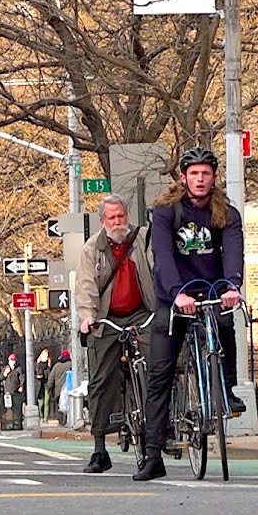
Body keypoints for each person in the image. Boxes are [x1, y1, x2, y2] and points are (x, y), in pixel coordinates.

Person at [134, 146, 247, 482]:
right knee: (161, 372)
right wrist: (176, 293)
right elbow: (163, 255)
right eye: (194, 173)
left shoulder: (226, 213)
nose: (200, 179)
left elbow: (234, 251)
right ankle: (154, 454)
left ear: (214, 177)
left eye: (205, 174)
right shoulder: (166, 211)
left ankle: (227, 389)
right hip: (174, 295)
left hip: (212, 290)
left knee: (225, 323)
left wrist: (232, 286)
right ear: (183, 177)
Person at [76, 194, 156, 474]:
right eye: (112, 218)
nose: (117, 221)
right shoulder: (92, 248)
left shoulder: (143, 238)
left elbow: (157, 269)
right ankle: (100, 448)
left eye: (121, 216)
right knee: (100, 379)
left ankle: (161, 430)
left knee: (159, 366)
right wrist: (87, 317)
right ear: (102, 221)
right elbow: (85, 285)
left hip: (142, 312)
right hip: (106, 317)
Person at [47, 350, 72, 425]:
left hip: (58, 389)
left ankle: (61, 421)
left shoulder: (56, 366)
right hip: (69, 388)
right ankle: (68, 420)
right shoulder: (71, 364)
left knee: (59, 405)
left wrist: (49, 387)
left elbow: (51, 377)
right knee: (69, 405)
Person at [34, 349, 52, 419]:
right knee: (40, 401)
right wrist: (38, 376)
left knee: (46, 401)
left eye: (47, 356)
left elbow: (50, 374)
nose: (46, 357)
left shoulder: (49, 364)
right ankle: (41, 415)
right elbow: (34, 374)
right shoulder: (37, 364)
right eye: (45, 355)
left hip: (46, 384)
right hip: (39, 384)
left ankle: (45, 418)